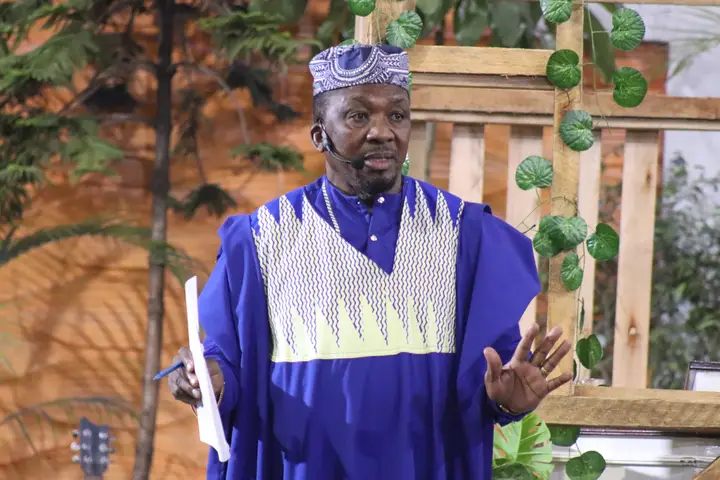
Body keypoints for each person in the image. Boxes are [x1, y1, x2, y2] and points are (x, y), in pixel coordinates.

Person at [168, 43, 572, 479]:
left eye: (397, 115)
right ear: (320, 135)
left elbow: (495, 372)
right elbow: (226, 361)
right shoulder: (262, 238)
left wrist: (505, 403)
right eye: (359, 116)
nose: (382, 131)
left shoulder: (464, 234)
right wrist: (205, 378)